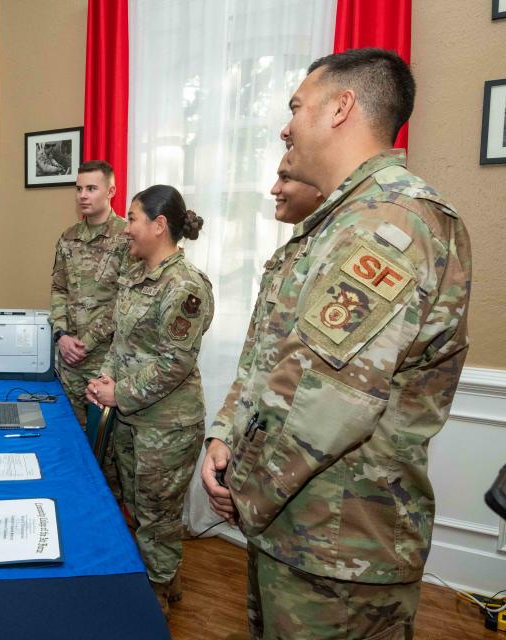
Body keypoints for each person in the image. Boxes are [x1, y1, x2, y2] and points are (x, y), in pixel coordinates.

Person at [201, 48, 471, 639]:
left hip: (341, 552)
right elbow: (270, 363)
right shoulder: (335, 226)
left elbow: (326, 402)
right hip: (298, 533)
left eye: (297, 106)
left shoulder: (395, 223)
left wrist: (243, 492)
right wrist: (226, 436)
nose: (285, 124)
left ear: (342, 108)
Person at [86, 185, 213, 618]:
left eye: (133, 218)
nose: (127, 229)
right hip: (129, 418)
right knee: (136, 510)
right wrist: (105, 376)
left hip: (166, 426)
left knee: (157, 517)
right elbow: (123, 342)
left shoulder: (185, 286)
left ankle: (153, 604)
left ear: (159, 226)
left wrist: (117, 392)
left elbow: (174, 363)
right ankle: (164, 578)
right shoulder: (137, 275)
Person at [49, 160, 129, 429]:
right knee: (70, 437)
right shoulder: (68, 237)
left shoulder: (127, 237)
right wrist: (61, 336)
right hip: (69, 359)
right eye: (79, 188)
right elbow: (59, 289)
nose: (83, 195)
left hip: (107, 363)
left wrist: (86, 342)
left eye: (91, 188)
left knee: (104, 449)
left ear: (111, 191)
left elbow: (125, 301)